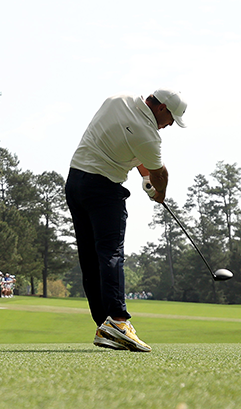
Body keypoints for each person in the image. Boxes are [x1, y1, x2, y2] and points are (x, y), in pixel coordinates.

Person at [65, 89, 184, 353]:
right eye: (171, 119)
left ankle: (104, 325)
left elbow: (130, 148)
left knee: (90, 258)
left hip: (75, 183)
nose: (170, 125)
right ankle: (118, 322)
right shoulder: (149, 134)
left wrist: (144, 178)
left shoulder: (117, 100)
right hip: (103, 189)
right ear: (162, 108)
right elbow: (160, 173)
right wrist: (159, 193)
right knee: (111, 253)